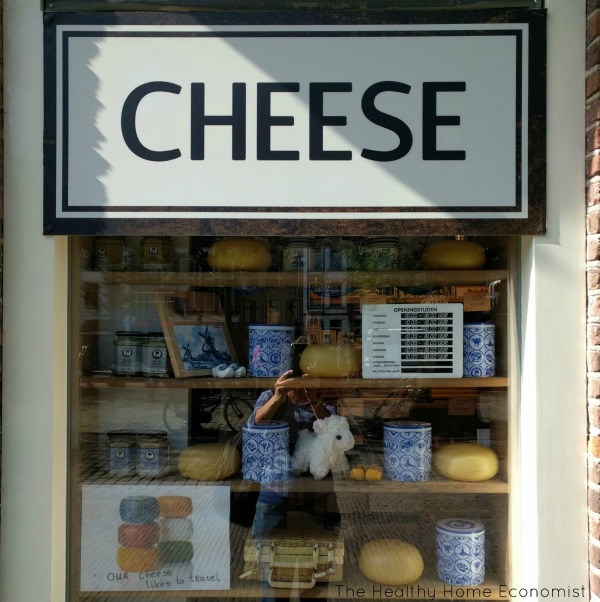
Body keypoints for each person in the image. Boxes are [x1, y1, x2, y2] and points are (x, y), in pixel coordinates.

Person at [246, 369, 336, 538]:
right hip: (277, 458)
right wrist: (278, 398)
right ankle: (262, 541)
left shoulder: (323, 399)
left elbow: (334, 432)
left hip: (312, 457)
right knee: (274, 483)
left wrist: (313, 399)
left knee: (320, 494)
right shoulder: (270, 395)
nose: (299, 385)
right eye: (294, 380)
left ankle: (322, 541)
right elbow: (254, 426)